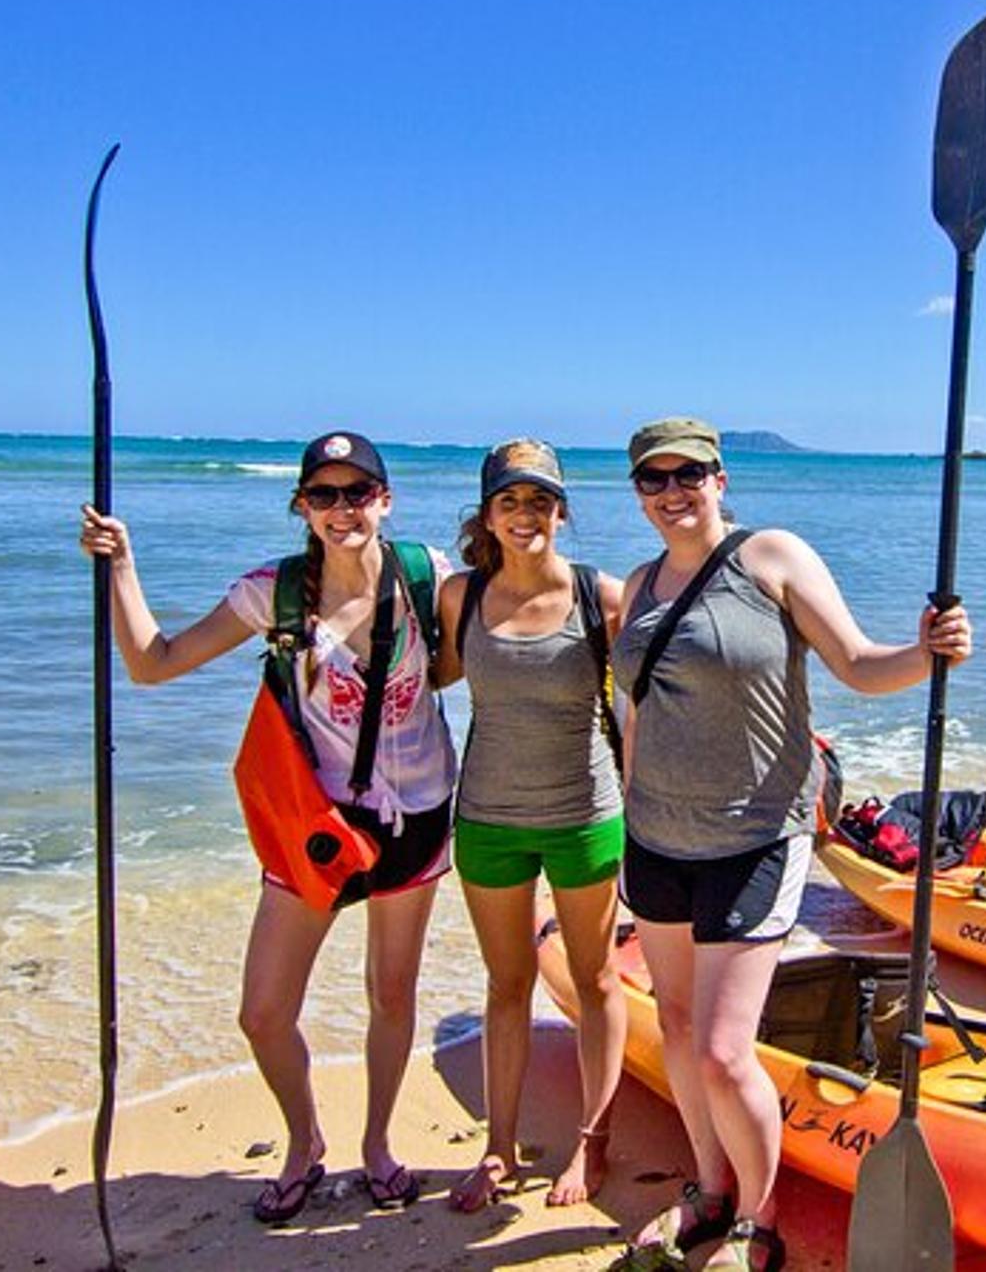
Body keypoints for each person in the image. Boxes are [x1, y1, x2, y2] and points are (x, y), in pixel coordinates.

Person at [611, 417, 973, 1272]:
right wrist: (625, 808)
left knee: (722, 1049)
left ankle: (757, 1217)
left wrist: (925, 652)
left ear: (720, 477)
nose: (672, 491)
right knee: (674, 1020)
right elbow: (638, 710)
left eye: (688, 473)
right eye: (653, 479)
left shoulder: (769, 556)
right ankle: (706, 1186)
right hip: (657, 837)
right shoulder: (641, 581)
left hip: (754, 836)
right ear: (638, 492)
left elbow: (857, 663)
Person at [78, 431, 454, 1223]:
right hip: (313, 828)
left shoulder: (430, 579)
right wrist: (121, 565)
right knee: (263, 1011)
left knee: (391, 992)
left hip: (417, 816)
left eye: (358, 492)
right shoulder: (273, 595)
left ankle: (378, 1144)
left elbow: (503, 645)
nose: (343, 508)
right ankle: (303, 1141)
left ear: (386, 500)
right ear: (302, 507)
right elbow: (153, 662)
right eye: (325, 494)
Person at [436, 439, 628, 1212]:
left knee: (596, 979)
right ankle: (497, 1147)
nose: (526, 514)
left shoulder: (601, 597)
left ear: (562, 508)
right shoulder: (460, 596)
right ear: (488, 514)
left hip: (585, 814)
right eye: (510, 501)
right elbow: (418, 675)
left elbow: (660, 687)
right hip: (486, 817)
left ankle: (594, 1138)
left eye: (541, 500)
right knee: (507, 984)